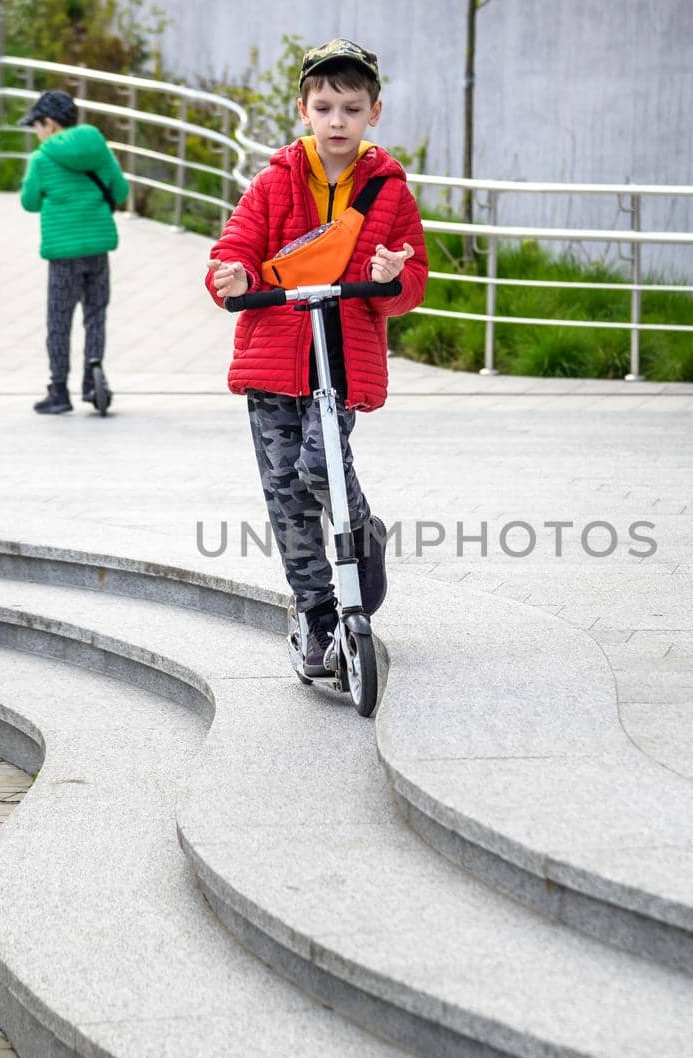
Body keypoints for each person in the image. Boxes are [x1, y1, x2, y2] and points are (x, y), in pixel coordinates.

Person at [205, 38, 428, 678]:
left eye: (351, 109)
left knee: (319, 463)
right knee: (286, 495)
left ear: (374, 114)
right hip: (273, 360)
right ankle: (316, 613)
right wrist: (234, 278)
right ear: (304, 109)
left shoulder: (389, 192)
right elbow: (235, 251)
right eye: (324, 107)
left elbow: (410, 285)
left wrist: (390, 275)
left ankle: (360, 532)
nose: (337, 122)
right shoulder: (274, 183)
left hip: (340, 360)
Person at [19, 89, 129, 414]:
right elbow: (120, 191)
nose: (36, 133)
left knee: (59, 320)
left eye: (36, 126)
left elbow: (29, 202)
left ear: (49, 124)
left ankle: (58, 389)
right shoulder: (100, 149)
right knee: (95, 314)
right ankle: (93, 374)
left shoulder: (41, 159)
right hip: (97, 249)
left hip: (63, 254)